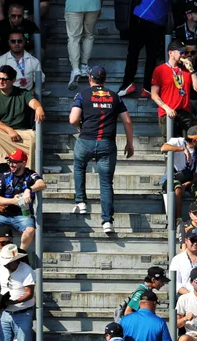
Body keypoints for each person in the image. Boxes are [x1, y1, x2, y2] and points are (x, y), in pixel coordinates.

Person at [69, 64, 133, 235]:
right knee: (106, 183)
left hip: (86, 140)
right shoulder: (114, 97)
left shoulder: (82, 95)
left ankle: (81, 202)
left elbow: (73, 119)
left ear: (90, 78)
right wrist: (129, 142)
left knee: (79, 167)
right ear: (105, 80)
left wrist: (80, 127)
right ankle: (107, 222)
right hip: (107, 143)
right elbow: (127, 121)